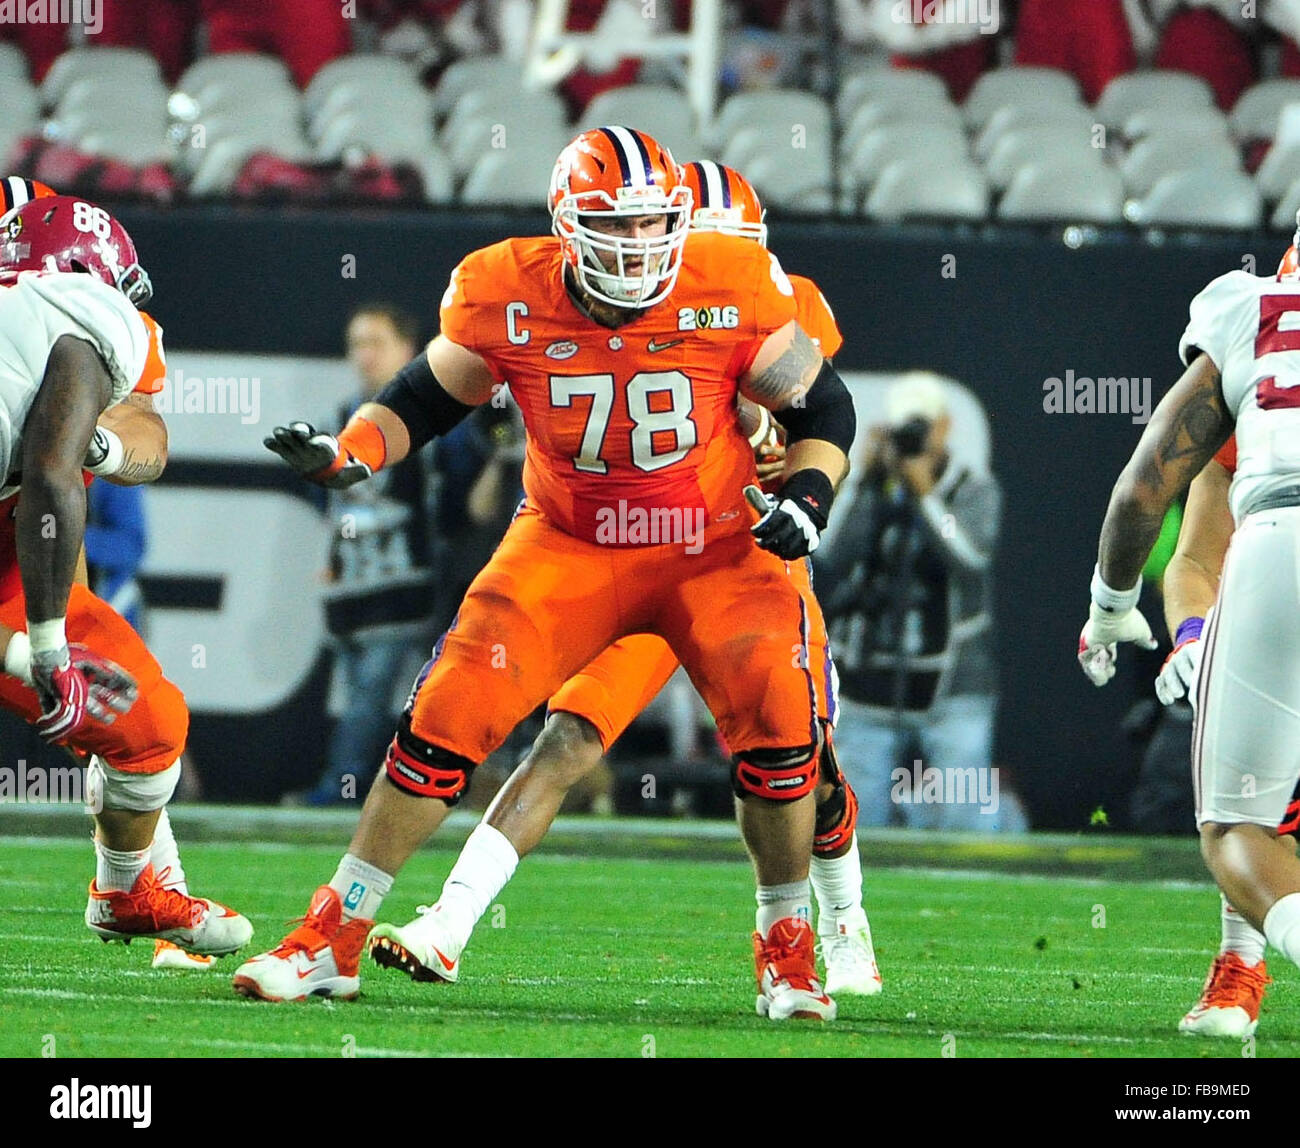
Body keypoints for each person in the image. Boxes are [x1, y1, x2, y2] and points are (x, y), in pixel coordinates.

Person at [238, 126, 857, 1022]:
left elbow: (822, 403)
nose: (643, 246)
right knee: (443, 717)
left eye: (656, 225)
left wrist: (807, 495)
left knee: (782, 740)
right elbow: (427, 394)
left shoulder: (730, 280)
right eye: (621, 225)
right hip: (571, 542)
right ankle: (332, 935)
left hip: (713, 550)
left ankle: (787, 953)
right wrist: (354, 453)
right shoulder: (506, 288)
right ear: (569, 227)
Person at [0, 193, 251, 958]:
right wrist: (35, 652)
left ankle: (127, 888)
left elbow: (138, 432)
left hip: (16, 559)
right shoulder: (66, 303)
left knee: (148, 725)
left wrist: (96, 448)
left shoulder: (79, 315)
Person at [1079, 211, 1300, 1024]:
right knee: (1260, 786)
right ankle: (1238, 971)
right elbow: (1201, 558)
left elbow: (1142, 490)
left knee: (1240, 814)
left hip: (1286, 552)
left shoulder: (1252, 318)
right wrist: (1199, 638)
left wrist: (1109, 606)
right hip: (1267, 569)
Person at [817, 374, 1010, 831]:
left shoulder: (974, 489)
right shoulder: (874, 489)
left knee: (966, 826)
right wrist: (863, 480)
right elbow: (832, 555)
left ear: (943, 428)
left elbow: (970, 557)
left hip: (954, 687)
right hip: (867, 686)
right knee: (855, 828)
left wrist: (925, 495)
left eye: (920, 427)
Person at [301, 303, 436, 806]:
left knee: (373, 696)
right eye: (356, 344)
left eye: (376, 343)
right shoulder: (337, 420)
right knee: (361, 696)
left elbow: (450, 505)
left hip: (408, 585)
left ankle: (342, 786)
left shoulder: (430, 417)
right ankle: (365, 789)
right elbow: (332, 507)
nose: (363, 355)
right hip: (352, 587)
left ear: (408, 348)